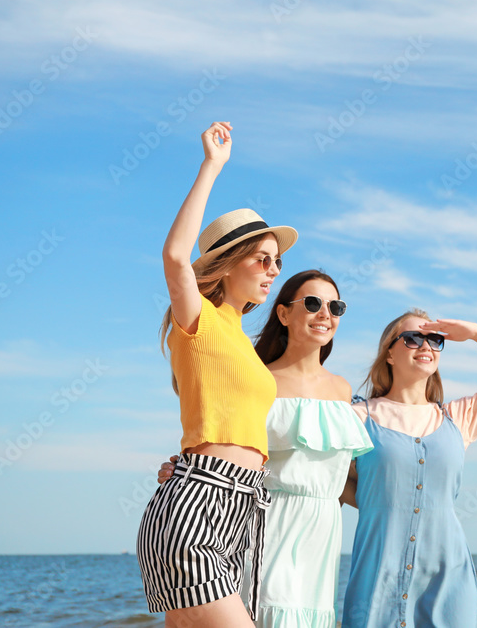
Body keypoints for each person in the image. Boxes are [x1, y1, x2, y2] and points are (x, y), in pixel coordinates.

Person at [136, 121, 298, 627]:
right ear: (228, 264)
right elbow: (175, 258)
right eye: (264, 259)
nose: (274, 271)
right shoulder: (198, 320)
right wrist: (212, 165)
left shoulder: (244, 344)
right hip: (201, 506)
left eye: (277, 261)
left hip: (243, 511)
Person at [158, 269, 373, 627]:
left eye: (335, 307)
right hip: (264, 524)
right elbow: (219, 439)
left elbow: (341, 481)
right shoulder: (257, 380)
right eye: (313, 303)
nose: (325, 314)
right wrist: (182, 472)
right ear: (283, 313)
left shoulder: (342, 390)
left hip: (321, 535)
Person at [342, 310, 477, 627]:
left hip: (448, 576)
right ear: (389, 355)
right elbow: (326, 478)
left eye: (435, 340)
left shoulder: (459, 417)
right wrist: (375, 500)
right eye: (412, 338)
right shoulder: (357, 417)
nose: (426, 346)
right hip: (377, 575)